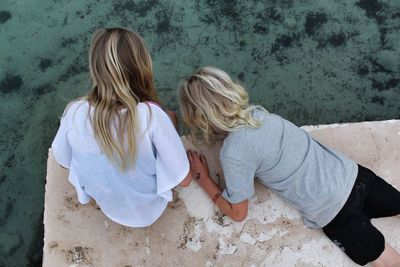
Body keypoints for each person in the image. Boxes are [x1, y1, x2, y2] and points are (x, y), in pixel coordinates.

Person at [179, 66, 400, 266]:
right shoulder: (258, 113)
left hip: (335, 212)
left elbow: (238, 213)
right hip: (354, 176)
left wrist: (203, 178)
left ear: (200, 119)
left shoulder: (233, 153)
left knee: (387, 260)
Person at [52, 28, 191, 227]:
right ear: (141, 68)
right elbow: (184, 180)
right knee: (169, 117)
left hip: (111, 209)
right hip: (152, 208)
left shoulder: (74, 112)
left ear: (95, 70)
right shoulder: (150, 116)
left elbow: (64, 162)